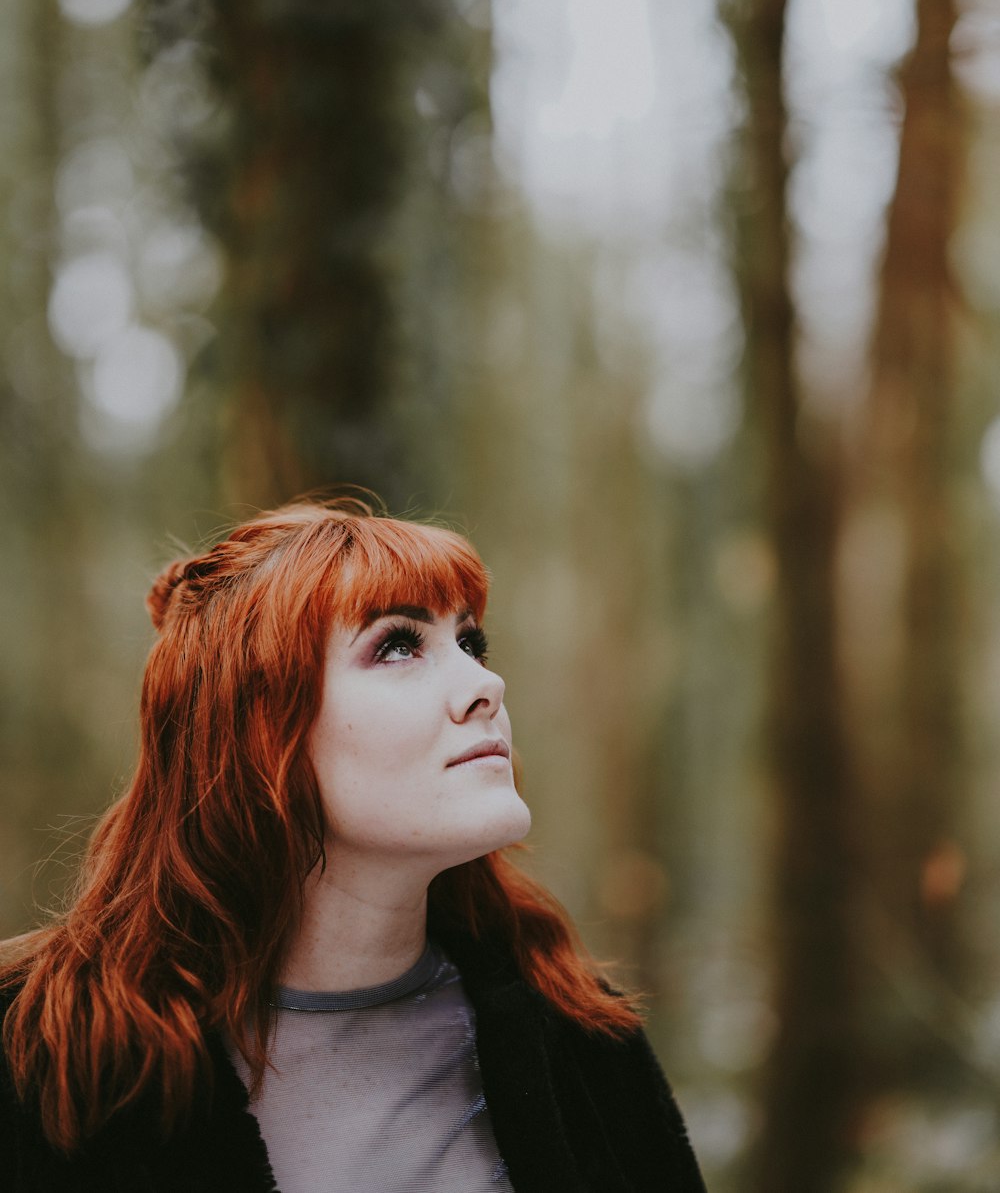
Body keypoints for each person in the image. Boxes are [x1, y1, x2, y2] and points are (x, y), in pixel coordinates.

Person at [0, 500, 706, 1192]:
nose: (484, 682)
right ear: (256, 731)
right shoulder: (46, 1055)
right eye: (398, 644)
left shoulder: (577, 1031)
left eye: (470, 642)